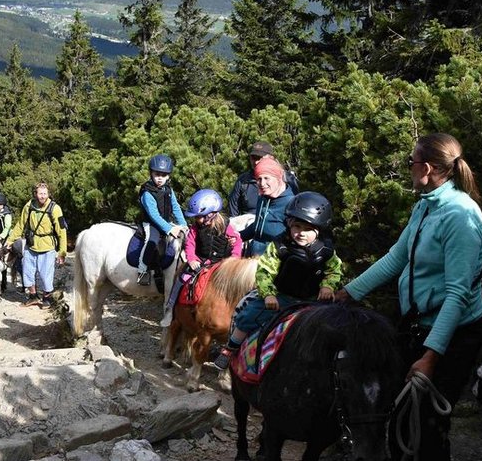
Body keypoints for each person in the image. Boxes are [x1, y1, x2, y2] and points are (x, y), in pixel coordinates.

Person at [334, 133, 482, 461]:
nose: (408, 167)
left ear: (427, 168)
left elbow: (457, 294)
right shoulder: (427, 207)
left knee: (432, 428)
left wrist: (431, 357)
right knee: (396, 401)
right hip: (419, 323)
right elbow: (397, 257)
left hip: (452, 334)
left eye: (411, 161)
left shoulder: (460, 217)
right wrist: (350, 291)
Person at [214, 191, 341, 370]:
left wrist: (328, 286)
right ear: (288, 224)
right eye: (296, 226)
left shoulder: (326, 251)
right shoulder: (280, 246)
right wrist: (268, 295)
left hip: (312, 299)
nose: (300, 233)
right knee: (248, 315)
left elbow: (334, 270)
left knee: (334, 324)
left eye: (307, 229)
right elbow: (265, 271)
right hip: (282, 297)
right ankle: (230, 348)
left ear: (319, 230)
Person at [160, 189, 243, 327]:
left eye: (199, 216)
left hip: (222, 263)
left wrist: (234, 260)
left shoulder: (226, 226)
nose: (196, 219)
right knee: (181, 280)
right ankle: (171, 309)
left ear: (211, 214)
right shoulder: (195, 228)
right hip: (201, 261)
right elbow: (190, 244)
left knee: (237, 285)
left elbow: (237, 241)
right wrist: (191, 259)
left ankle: (237, 316)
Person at [7, 182, 67, 308]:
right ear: (35, 194)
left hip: (48, 247)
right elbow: (20, 224)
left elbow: (62, 231)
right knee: (27, 273)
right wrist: (10, 240)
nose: (43, 196)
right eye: (40, 193)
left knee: (46, 276)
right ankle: (33, 296)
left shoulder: (55, 209)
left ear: (48, 194)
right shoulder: (29, 206)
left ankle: (46, 298)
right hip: (31, 245)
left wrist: (62, 252)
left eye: (45, 194)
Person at [136, 153, 186, 287]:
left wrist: (183, 225)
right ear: (151, 173)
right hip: (151, 223)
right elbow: (154, 216)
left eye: (163, 175)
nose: (160, 178)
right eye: (157, 174)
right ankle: (142, 270)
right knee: (152, 241)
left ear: (168, 176)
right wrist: (169, 229)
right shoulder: (147, 192)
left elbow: (175, 207)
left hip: (165, 221)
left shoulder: (168, 190)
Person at [238, 157, 295, 257]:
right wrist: (238, 236)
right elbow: (257, 227)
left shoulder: (291, 204)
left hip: (272, 263)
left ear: (278, 177)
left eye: (266, 178)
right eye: (259, 179)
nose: (262, 184)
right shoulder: (263, 198)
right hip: (252, 257)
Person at [228, 140, 299, 217]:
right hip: (248, 222)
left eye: (260, 158)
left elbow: (295, 205)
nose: (256, 162)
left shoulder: (286, 178)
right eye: (253, 158)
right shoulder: (243, 180)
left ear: (271, 158)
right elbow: (233, 208)